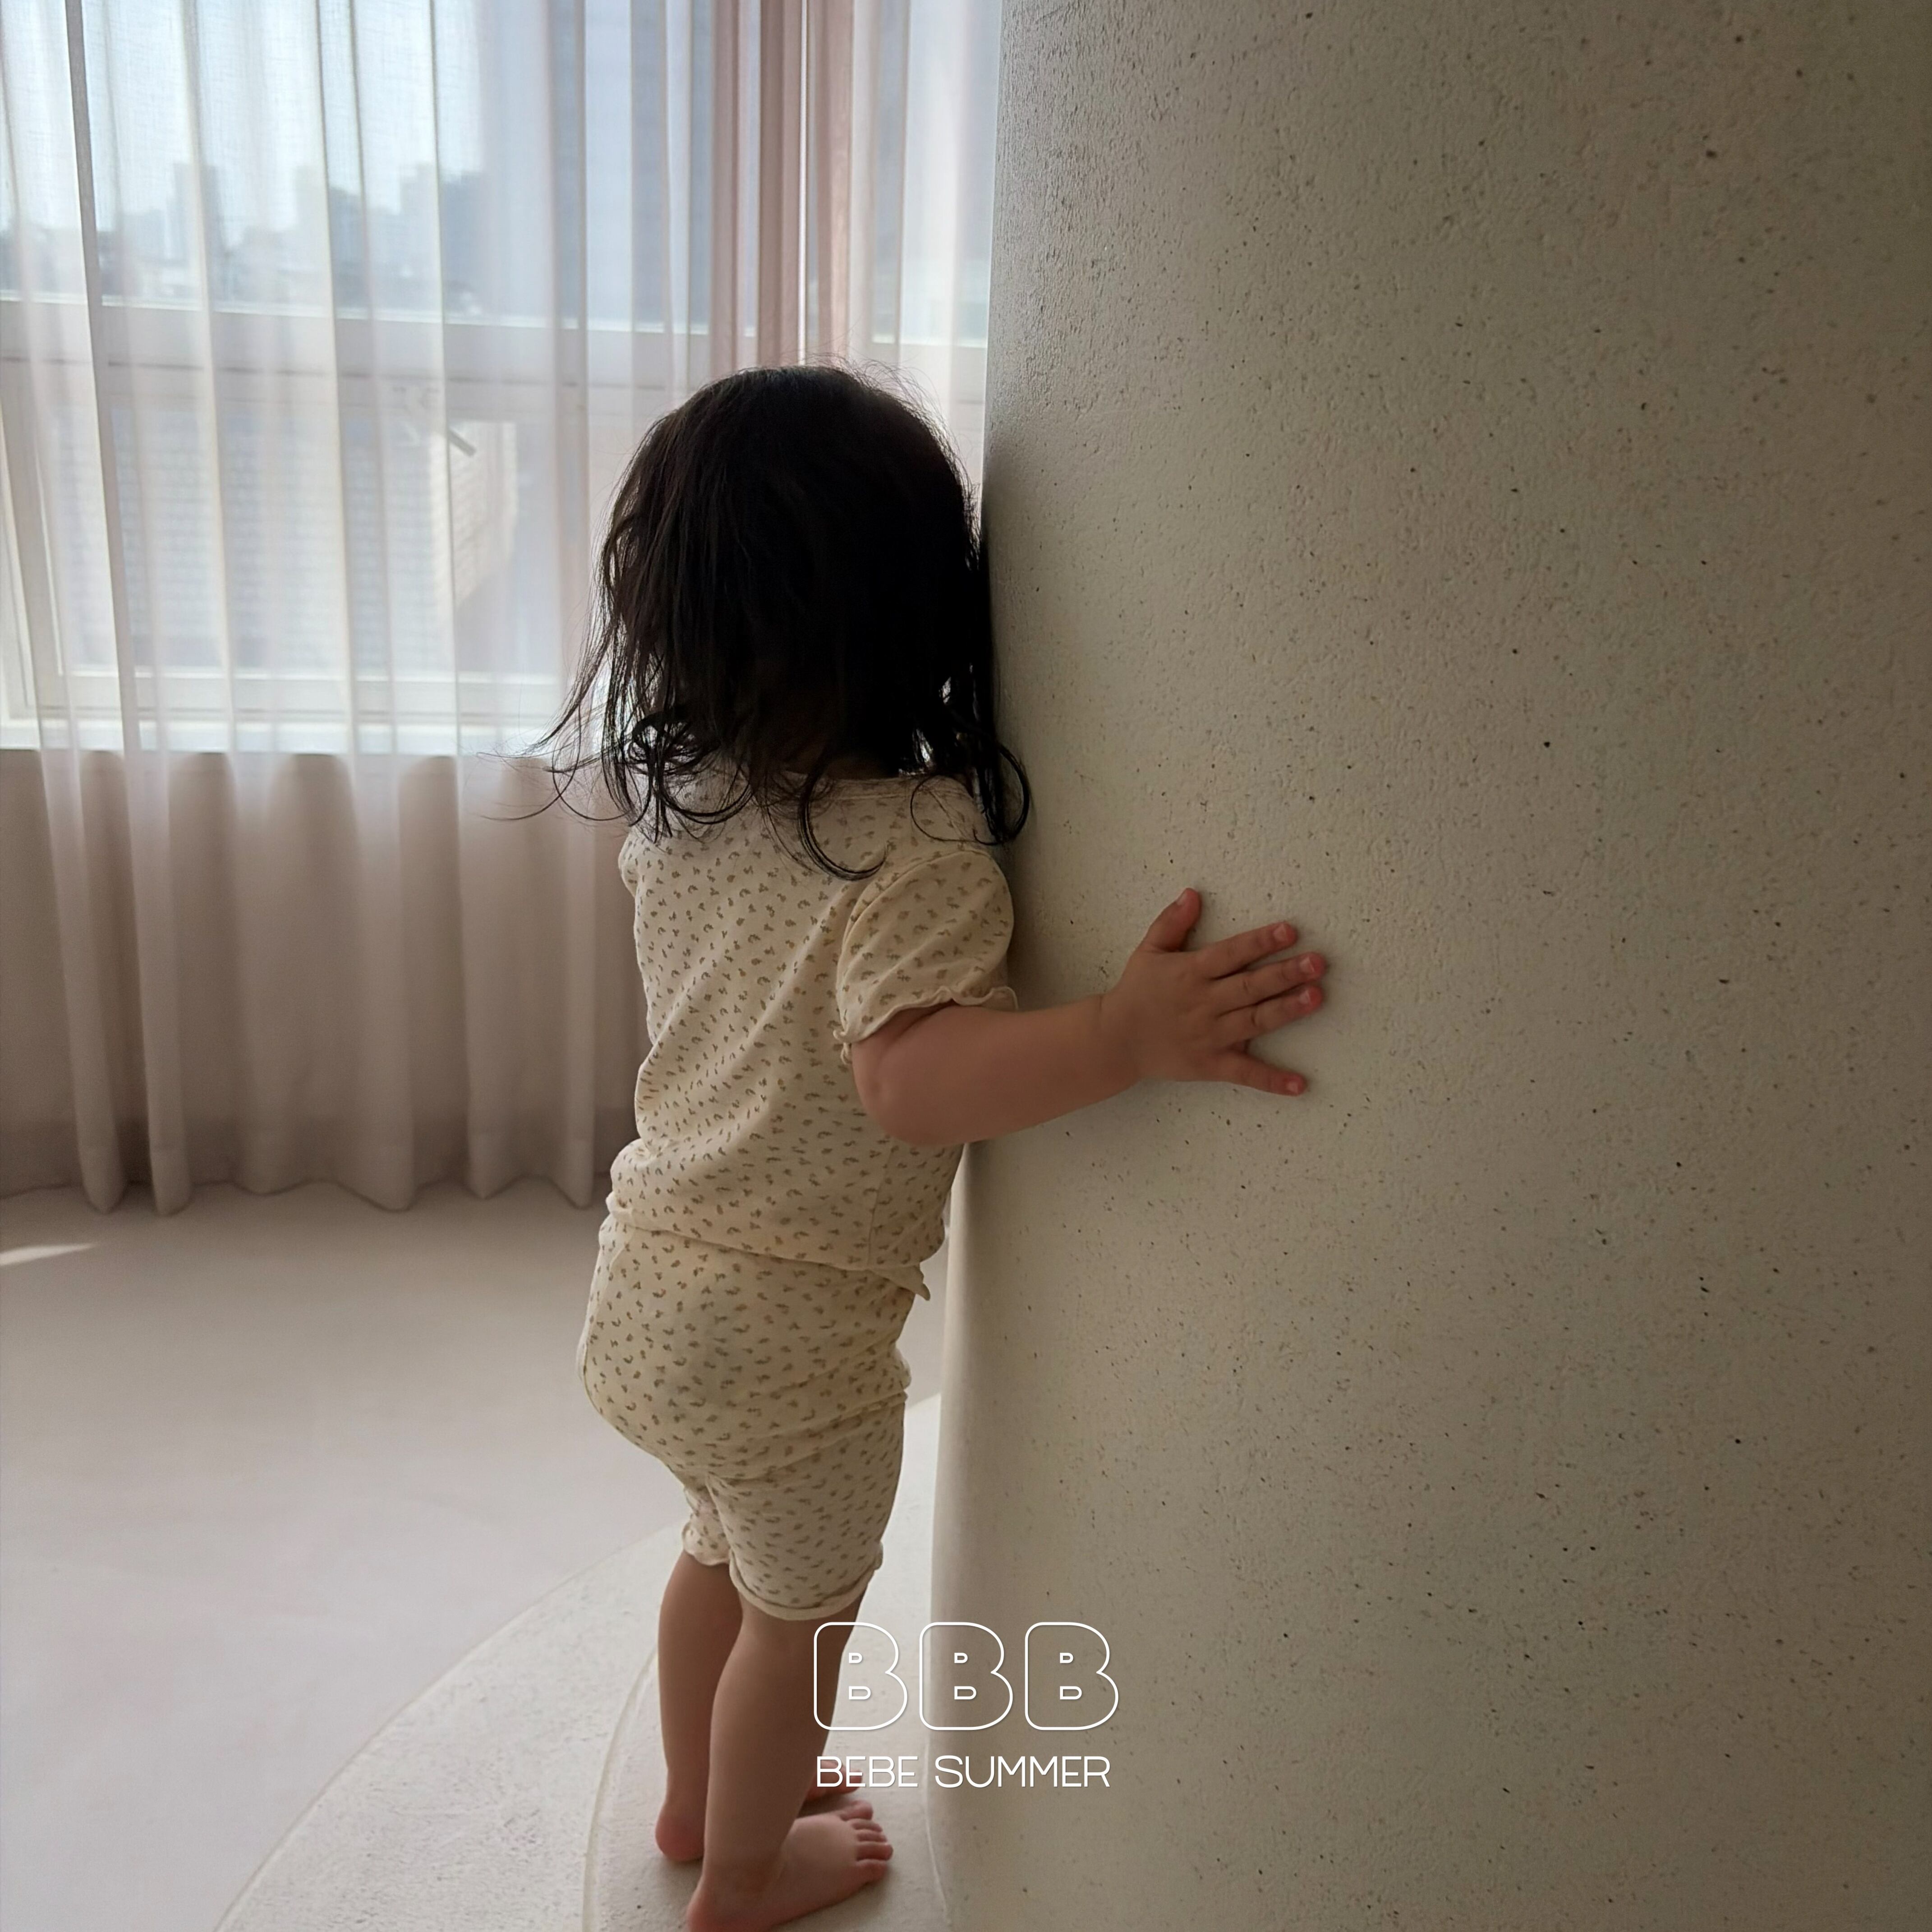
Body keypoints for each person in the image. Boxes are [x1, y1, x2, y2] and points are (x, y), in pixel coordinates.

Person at [546, 363, 1330, 1932]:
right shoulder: (915, 841)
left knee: (717, 1556)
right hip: (788, 1340)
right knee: (803, 1617)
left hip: (643, 1292)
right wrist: (1120, 1034)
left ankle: (701, 1800)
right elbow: (909, 1079)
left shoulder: (689, 809)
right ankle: (744, 1879)